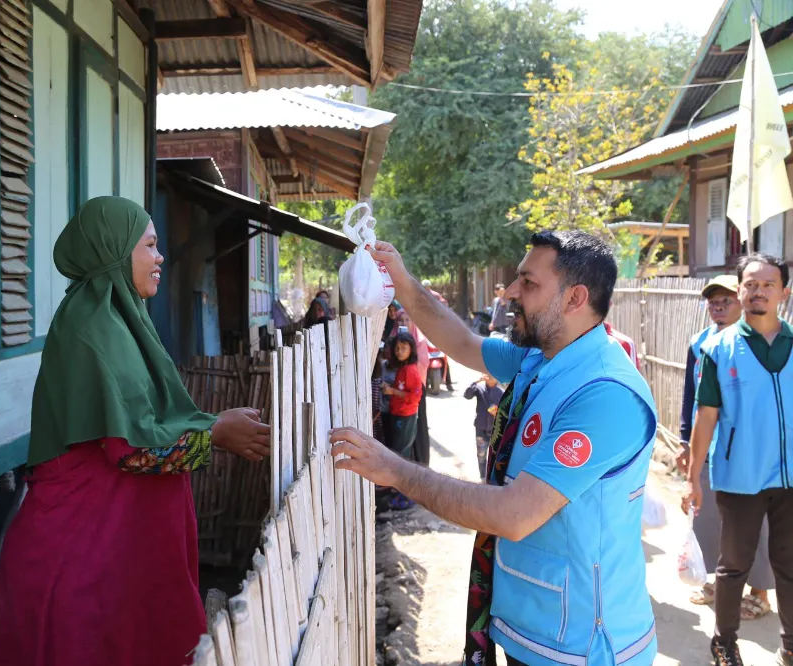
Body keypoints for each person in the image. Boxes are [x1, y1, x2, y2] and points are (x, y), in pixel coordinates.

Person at [330, 230, 658, 666]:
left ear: (576, 298)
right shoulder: (543, 357)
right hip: (531, 622)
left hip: (581, 645)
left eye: (529, 283)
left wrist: (395, 469)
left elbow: (513, 514)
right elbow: (463, 343)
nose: (511, 293)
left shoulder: (606, 394)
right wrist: (403, 283)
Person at [0, 197, 271, 666]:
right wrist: (215, 434)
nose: (160, 257)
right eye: (150, 245)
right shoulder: (92, 327)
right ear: (116, 250)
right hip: (76, 559)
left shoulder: (119, 319)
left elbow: (143, 419)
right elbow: (130, 449)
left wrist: (210, 422)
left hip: (104, 552)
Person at [683, 254, 793, 666]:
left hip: (790, 478)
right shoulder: (718, 349)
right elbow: (705, 415)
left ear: (785, 292)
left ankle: (791, 645)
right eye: (750, 284)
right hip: (739, 477)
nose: (758, 291)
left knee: (789, 567)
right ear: (740, 291)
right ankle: (724, 645)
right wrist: (693, 478)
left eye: (768, 284)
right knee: (733, 568)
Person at [676, 275, 774, 620]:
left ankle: (760, 591)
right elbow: (691, 397)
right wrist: (686, 441)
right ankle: (717, 581)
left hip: (750, 449)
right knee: (711, 517)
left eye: (726, 300)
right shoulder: (699, 343)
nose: (718, 306)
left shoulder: (759, 343)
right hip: (709, 445)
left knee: (756, 518)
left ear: (742, 302)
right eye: (713, 301)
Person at [382, 330, 423, 510]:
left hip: (405, 417)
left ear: (411, 349)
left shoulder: (411, 371)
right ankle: (401, 491)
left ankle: (406, 496)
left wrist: (392, 392)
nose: (399, 351)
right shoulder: (403, 368)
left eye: (403, 348)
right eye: (397, 348)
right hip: (399, 415)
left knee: (402, 455)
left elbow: (415, 397)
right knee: (400, 453)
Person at [396, 309, 431, 466]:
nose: (403, 324)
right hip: (398, 394)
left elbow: (423, 364)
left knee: (418, 423)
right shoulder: (394, 341)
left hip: (415, 391)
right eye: (400, 321)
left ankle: (421, 461)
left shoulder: (420, 342)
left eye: (407, 320)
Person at [463, 374, 503, 481]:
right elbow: (467, 395)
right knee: (481, 455)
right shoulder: (479, 388)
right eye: (488, 374)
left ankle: (492, 478)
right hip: (480, 428)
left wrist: (497, 412)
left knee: (495, 456)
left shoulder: (500, 392)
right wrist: (476, 381)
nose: (490, 376)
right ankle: (483, 478)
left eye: (492, 375)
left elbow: (505, 412)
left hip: (495, 429)